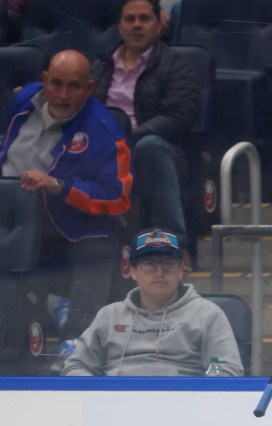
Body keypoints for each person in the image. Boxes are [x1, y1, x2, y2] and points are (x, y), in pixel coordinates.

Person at [0, 49, 133, 349]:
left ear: (88, 88)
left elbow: (118, 198)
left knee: (97, 250)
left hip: (62, 226)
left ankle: (77, 343)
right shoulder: (22, 101)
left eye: (73, 86)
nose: (62, 94)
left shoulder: (104, 133)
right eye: (56, 84)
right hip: (8, 213)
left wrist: (58, 185)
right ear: (44, 81)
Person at [91, 0, 200, 256]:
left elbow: (177, 117)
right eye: (130, 19)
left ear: (159, 25)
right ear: (120, 26)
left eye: (144, 19)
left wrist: (127, 139)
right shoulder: (100, 66)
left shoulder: (178, 65)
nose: (136, 25)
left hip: (160, 151)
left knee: (149, 147)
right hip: (106, 151)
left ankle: (175, 248)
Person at [60, 228, 242, 376]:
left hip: (183, 408)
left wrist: (197, 394)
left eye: (169, 264)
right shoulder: (109, 316)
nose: (159, 273)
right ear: (132, 271)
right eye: (149, 264)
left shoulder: (208, 314)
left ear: (180, 270)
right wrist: (98, 395)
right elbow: (75, 366)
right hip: (115, 408)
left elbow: (225, 368)